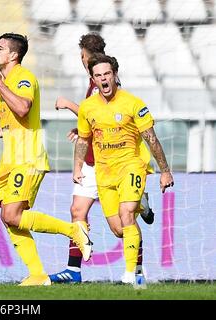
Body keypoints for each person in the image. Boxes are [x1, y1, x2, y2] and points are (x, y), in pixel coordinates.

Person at [0, 33, 92, 286]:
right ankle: (38, 275)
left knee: (12, 214)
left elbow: (23, 108)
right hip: (11, 157)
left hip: (27, 156)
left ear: (13, 55)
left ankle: (73, 230)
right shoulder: (7, 82)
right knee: (8, 217)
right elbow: (9, 124)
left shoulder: (22, 78)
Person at [49, 33, 154, 284]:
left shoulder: (105, 82)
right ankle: (73, 269)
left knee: (122, 225)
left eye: (81, 55)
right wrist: (81, 130)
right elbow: (92, 119)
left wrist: (69, 105)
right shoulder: (93, 81)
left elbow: (97, 113)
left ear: (84, 55)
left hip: (113, 164)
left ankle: (136, 271)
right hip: (92, 161)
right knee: (77, 209)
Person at [73, 53, 174, 284]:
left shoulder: (133, 103)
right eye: (98, 75)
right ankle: (142, 203)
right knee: (119, 229)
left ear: (115, 75)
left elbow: (151, 138)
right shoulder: (87, 108)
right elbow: (83, 140)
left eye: (107, 74)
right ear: (93, 79)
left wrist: (165, 170)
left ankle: (131, 275)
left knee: (127, 213)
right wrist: (77, 167)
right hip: (104, 173)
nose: (104, 79)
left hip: (131, 166)